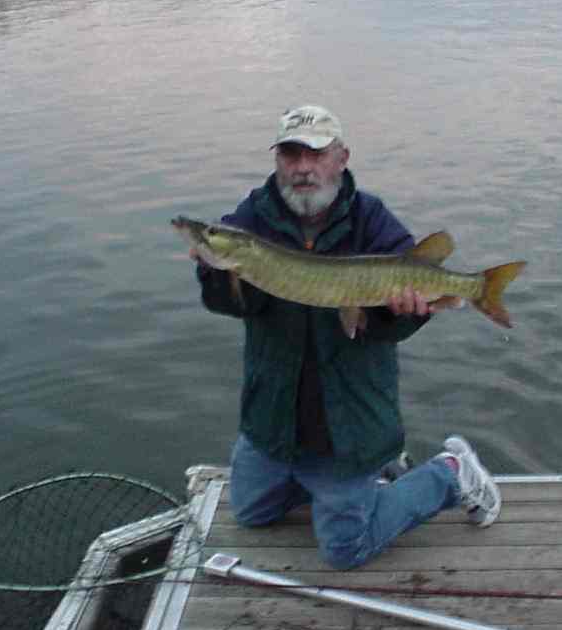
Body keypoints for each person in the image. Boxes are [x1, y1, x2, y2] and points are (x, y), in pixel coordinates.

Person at [189, 104, 501, 570]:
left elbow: (397, 327)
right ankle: (355, 481)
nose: (303, 168)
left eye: (315, 154)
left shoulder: (371, 219)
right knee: (251, 513)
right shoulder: (252, 217)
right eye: (291, 154)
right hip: (273, 412)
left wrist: (402, 313)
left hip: (348, 418)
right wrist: (214, 273)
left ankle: (451, 474)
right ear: (277, 160)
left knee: (345, 550)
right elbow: (227, 303)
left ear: (341, 159)